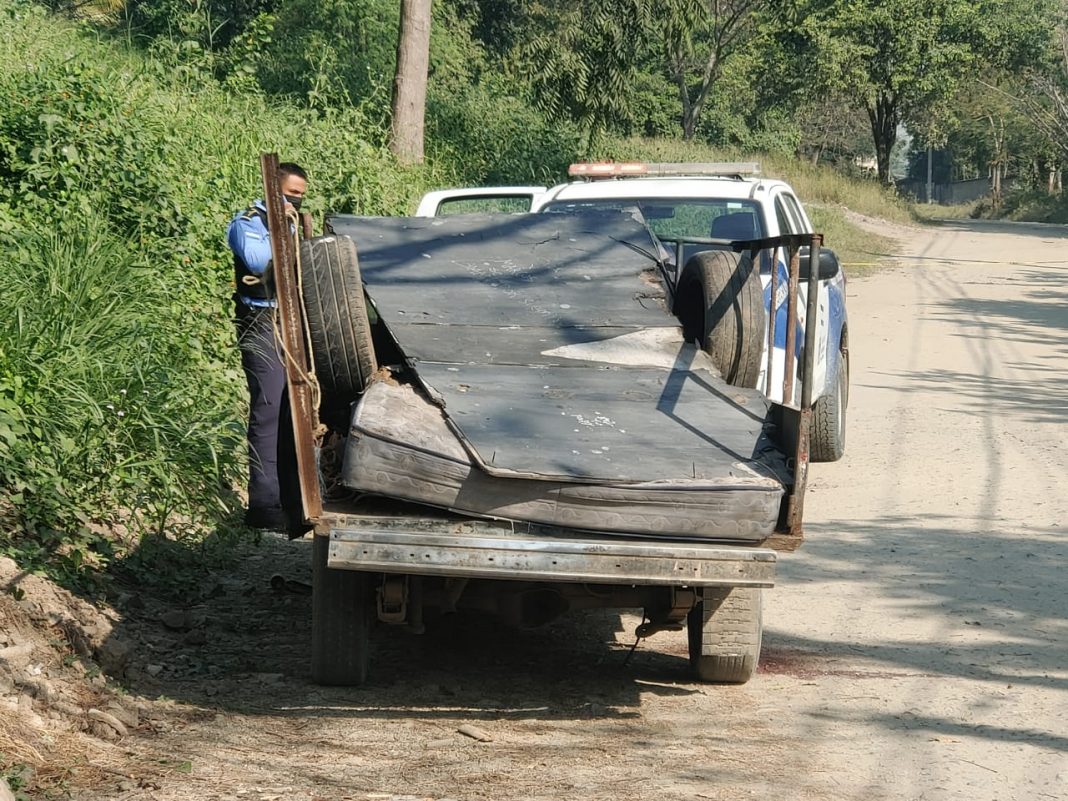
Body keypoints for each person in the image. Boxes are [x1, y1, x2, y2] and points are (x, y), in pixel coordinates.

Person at [227, 162, 308, 529]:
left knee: (297, 410)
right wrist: (281, 228)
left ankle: (293, 500)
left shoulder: (294, 222)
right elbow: (257, 261)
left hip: (290, 321)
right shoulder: (248, 222)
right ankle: (263, 505)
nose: (296, 201)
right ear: (273, 190)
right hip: (260, 321)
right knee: (269, 408)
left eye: (301, 196)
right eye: (291, 193)